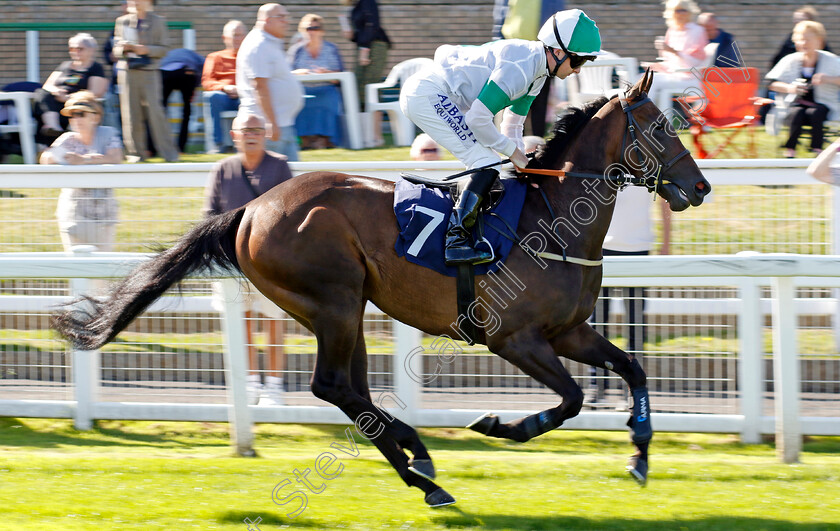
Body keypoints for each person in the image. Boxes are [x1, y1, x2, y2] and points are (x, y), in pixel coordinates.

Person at [399, 8, 604, 265]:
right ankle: (456, 240)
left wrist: (520, 165)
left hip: (443, 96)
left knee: (492, 163)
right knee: (486, 162)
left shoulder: (539, 72)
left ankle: (471, 228)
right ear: (558, 52)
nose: (578, 71)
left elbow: (512, 125)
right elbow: (477, 119)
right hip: (427, 94)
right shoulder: (521, 69)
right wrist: (514, 154)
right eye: (578, 62)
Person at [203, 112, 292, 405]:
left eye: (257, 129)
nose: (251, 134)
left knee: (274, 321)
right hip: (231, 264)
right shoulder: (222, 169)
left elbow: (290, 213)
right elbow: (209, 216)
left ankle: (275, 387)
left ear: (265, 134)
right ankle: (251, 384)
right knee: (242, 322)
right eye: (245, 130)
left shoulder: (279, 166)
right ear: (234, 136)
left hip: (270, 264)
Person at [585, 186, 671, 407]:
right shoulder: (606, 159)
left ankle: (634, 389)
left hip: (639, 249)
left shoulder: (648, 162)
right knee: (597, 324)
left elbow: (665, 200)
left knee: (635, 324)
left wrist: (666, 243)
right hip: (602, 248)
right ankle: (597, 387)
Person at [39, 91, 123, 253]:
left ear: (96, 117)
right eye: (71, 116)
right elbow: (46, 158)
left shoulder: (108, 134)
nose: (75, 120)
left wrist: (83, 160)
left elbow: (115, 156)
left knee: (102, 268)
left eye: (80, 114)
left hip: (104, 214)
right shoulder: (68, 139)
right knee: (75, 264)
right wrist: (59, 157)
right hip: (74, 213)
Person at [237, 3, 305, 161]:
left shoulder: (270, 43)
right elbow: (260, 87)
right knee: (271, 183)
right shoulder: (258, 46)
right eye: (281, 17)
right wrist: (271, 124)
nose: (286, 21)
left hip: (281, 124)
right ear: (267, 20)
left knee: (293, 182)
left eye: (286, 17)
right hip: (266, 127)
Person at [113, 0, 179, 162]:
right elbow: (115, 50)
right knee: (130, 114)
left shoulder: (158, 21)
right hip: (128, 72)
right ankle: (135, 154)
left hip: (150, 72)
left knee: (156, 114)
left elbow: (164, 48)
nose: (134, 2)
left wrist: (147, 49)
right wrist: (123, 47)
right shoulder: (122, 21)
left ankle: (169, 154)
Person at [766, 21, 840, 157]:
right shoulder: (790, 60)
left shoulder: (832, 60)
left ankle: (817, 149)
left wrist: (828, 79)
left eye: (808, 40)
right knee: (797, 113)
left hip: (824, 105)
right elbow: (772, 83)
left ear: (819, 41)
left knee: (816, 112)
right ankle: (790, 150)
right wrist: (790, 88)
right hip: (795, 104)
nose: (804, 43)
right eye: (800, 40)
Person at [492, 0, 566, 137]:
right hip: (513, 52)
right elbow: (501, 15)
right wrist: (498, 42)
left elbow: (558, 17)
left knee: (540, 102)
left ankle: (537, 144)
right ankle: (514, 141)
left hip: (543, 52)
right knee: (513, 98)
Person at [34, 33, 108, 141]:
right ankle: (53, 127)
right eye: (72, 48)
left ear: (91, 50)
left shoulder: (95, 68)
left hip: (78, 105)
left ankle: (57, 132)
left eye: (80, 49)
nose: (75, 52)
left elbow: (95, 92)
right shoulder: (65, 65)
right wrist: (57, 91)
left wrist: (70, 98)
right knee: (41, 93)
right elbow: (48, 85)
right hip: (56, 105)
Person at [288, 13, 345, 150]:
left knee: (329, 99)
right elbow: (286, 73)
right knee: (299, 101)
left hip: (326, 88)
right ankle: (304, 140)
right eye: (308, 28)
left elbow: (342, 74)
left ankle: (325, 140)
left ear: (322, 31)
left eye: (316, 28)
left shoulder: (332, 49)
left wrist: (327, 74)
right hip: (303, 89)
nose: (312, 31)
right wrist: (299, 72)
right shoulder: (296, 50)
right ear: (302, 31)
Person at [340, 0, 390, 148]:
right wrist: (352, 36)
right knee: (358, 89)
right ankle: (365, 136)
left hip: (375, 47)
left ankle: (376, 136)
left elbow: (372, 25)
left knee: (370, 88)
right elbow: (361, 32)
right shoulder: (355, 6)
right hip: (365, 47)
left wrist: (365, 49)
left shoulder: (368, 1)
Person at [202, 20, 246, 154]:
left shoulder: (251, 56)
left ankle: (248, 144)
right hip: (223, 96)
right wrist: (225, 87)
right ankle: (217, 144)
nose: (237, 38)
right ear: (224, 38)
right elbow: (206, 82)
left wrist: (242, 89)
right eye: (234, 35)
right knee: (212, 96)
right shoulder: (214, 57)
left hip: (245, 95)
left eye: (241, 35)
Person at [160, 48, 204, 153]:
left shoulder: (169, 54)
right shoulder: (197, 57)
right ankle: (181, 148)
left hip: (165, 72)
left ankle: (154, 147)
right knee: (186, 112)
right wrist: (195, 86)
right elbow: (204, 70)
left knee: (160, 111)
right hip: (187, 72)